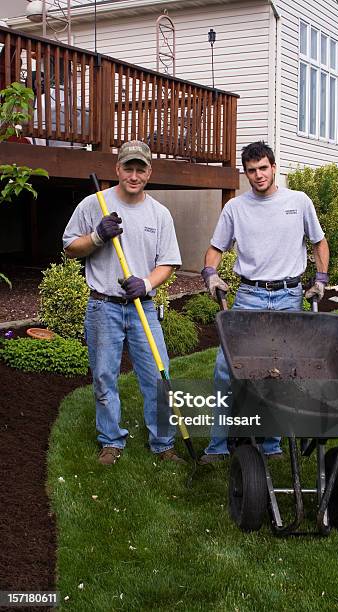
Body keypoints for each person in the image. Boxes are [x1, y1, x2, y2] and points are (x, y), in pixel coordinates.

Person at [200, 141, 329, 464]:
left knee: (279, 372)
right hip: (249, 296)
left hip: (288, 296)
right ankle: (217, 446)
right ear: (246, 174)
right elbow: (215, 249)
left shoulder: (298, 202)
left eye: (263, 168)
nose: (258, 175)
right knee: (225, 370)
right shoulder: (235, 208)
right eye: (251, 170)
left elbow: (319, 242)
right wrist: (210, 274)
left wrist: (321, 279)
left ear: (274, 167)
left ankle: (271, 445)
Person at [63, 140, 185, 466]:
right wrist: (97, 237)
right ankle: (111, 440)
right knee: (104, 376)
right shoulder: (95, 204)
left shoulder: (159, 214)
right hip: (103, 306)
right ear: (117, 169)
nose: (133, 175)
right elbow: (70, 248)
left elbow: (169, 262)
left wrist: (145, 283)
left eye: (140, 169)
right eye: (127, 168)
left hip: (142, 307)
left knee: (158, 375)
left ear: (149, 172)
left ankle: (163, 444)